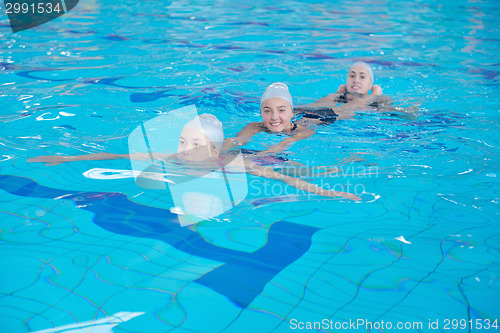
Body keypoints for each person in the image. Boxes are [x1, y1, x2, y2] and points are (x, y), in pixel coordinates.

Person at [28, 113, 360, 200]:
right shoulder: (175, 156)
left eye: (194, 144)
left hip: (264, 161)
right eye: (183, 141)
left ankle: (347, 164)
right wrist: (66, 159)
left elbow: (284, 179)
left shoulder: (232, 163)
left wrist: (330, 192)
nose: (185, 150)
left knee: (313, 173)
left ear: (212, 150)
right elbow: (120, 154)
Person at [221, 82, 315, 155]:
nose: (274, 117)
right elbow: (238, 140)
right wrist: (222, 150)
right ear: (260, 113)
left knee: (316, 107)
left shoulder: (304, 131)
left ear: (291, 113)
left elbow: (277, 149)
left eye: (281, 110)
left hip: (319, 118)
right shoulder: (255, 126)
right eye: (267, 111)